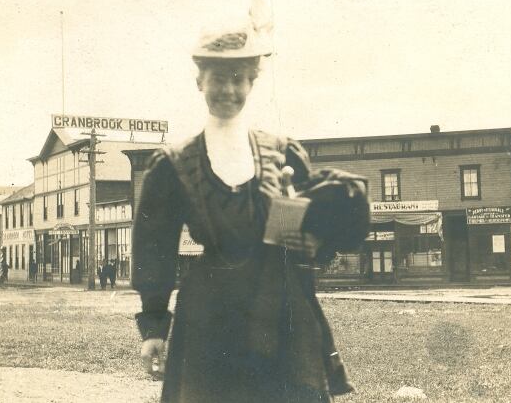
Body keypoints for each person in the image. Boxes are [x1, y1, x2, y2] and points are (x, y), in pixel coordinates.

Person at [132, 22, 369, 403]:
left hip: (280, 311)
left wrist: (311, 239)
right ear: (199, 82)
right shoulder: (172, 164)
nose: (228, 89)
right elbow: (153, 247)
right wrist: (154, 326)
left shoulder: (283, 152)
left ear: (252, 83)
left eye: (239, 79)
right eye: (217, 78)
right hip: (209, 313)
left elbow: (313, 219)